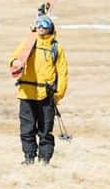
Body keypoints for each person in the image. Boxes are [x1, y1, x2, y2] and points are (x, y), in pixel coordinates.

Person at [9, 13, 68, 164]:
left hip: (46, 95)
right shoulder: (28, 43)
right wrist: (15, 63)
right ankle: (29, 158)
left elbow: (62, 72)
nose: (41, 27)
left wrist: (58, 94)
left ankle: (44, 160)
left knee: (45, 130)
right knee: (26, 129)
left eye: (45, 24)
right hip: (26, 94)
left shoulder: (56, 48)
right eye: (38, 24)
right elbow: (14, 59)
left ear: (51, 28)